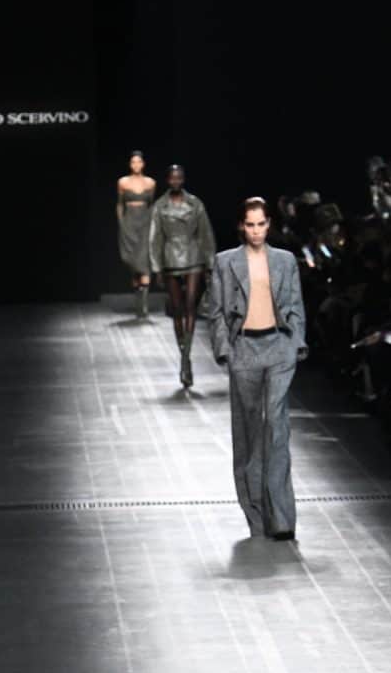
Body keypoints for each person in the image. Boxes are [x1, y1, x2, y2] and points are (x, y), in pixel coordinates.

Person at [208, 197, 305, 541]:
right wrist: (226, 352)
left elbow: (295, 305)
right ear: (241, 226)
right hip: (244, 349)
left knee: (276, 427)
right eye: (250, 224)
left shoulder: (285, 260)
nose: (256, 231)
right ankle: (255, 511)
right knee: (250, 432)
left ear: (269, 224)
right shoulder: (225, 262)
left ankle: (281, 518)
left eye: (261, 224)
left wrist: (295, 344)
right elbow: (216, 311)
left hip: (278, 347)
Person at [145, 165, 217, 389]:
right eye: (172, 178)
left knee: (190, 307)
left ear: (183, 179)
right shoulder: (160, 206)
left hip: (193, 256)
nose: (176, 181)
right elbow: (155, 238)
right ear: (168, 180)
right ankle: (184, 355)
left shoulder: (195, 203)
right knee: (177, 310)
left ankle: (186, 358)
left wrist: (210, 264)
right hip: (170, 260)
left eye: (179, 177)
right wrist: (156, 267)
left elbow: (205, 233)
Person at [115, 151, 157, 321]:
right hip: (129, 224)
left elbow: (152, 205)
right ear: (130, 164)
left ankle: (143, 307)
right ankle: (138, 302)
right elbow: (119, 204)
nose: (136, 165)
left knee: (144, 262)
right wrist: (122, 223)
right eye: (133, 162)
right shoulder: (123, 182)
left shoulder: (150, 182)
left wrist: (152, 224)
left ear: (143, 164)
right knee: (132, 263)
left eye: (139, 162)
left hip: (145, 223)